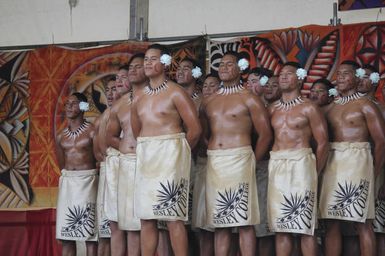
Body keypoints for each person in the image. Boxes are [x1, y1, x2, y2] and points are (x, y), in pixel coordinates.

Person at [131, 44, 202, 256]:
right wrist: (150, 148)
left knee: (173, 217)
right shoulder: (139, 97)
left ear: (164, 63)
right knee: (146, 217)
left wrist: (177, 153)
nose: (148, 63)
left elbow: (195, 129)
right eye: (145, 60)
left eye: (153, 59)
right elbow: (138, 132)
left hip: (171, 155)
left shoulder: (176, 92)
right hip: (147, 156)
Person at [200, 52, 272, 256]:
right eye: (221, 64)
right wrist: (211, 148)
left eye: (229, 64)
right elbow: (202, 132)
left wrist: (252, 161)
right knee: (219, 220)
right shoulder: (209, 101)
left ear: (240, 69)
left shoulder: (249, 98)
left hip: (240, 159)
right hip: (216, 161)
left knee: (243, 219)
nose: (223, 67)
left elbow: (265, 134)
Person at [319, 60, 385, 256]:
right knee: (331, 220)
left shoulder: (366, 105)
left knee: (363, 220)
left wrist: (374, 172)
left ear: (357, 78)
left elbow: (381, 141)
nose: (339, 77)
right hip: (333, 163)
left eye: (345, 73)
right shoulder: (330, 107)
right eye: (338, 73)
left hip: (358, 162)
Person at [268, 62, 329, 256]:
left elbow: (322, 142)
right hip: (277, 163)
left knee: (305, 226)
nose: (283, 77)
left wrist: (315, 173)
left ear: (300, 77)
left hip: (302, 165)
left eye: (289, 73)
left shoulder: (309, 107)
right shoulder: (272, 109)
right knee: (280, 225)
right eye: (281, 73)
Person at [106, 53, 147, 256]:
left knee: (147, 223)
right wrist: (126, 145)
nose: (132, 70)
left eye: (138, 66)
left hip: (149, 164)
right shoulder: (120, 105)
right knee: (128, 224)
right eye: (130, 67)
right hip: (126, 165)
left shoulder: (155, 97)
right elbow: (110, 136)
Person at [55, 92, 98, 256]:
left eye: (74, 103)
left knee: (89, 234)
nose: (69, 107)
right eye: (67, 104)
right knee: (66, 235)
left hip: (88, 182)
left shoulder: (92, 131)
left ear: (83, 107)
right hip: (68, 185)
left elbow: (99, 159)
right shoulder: (60, 136)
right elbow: (62, 165)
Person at [101, 65, 131, 256]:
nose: (119, 82)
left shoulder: (138, 102)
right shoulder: (111, 110)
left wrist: (128, 153)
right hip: (114, 165)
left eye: (123, 77)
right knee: (115, 220)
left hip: (131, 163)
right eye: (116, 78)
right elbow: (105, 141)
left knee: (136, 222)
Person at [94, 77, 119, 256]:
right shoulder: (101, 118)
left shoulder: (127, 111)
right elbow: (97, 151)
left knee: (126, 227)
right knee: (104, 228)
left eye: (114, 88)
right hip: (106, 169)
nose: (110, 93)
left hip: (122, 167)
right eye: (107, 90)